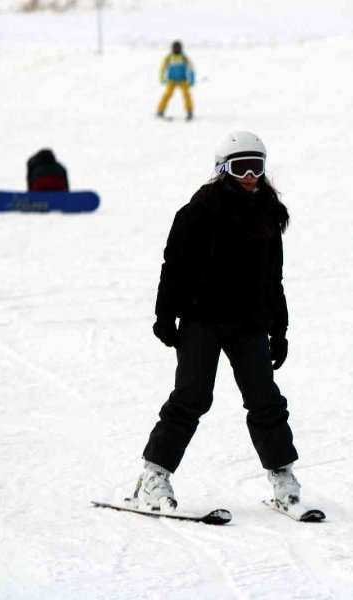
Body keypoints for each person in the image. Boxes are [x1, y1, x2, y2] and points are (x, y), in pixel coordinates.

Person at [135, 131, 302, 512]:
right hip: (202, 318)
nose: (249, 175)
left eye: (256, 166)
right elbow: (174, 266)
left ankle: (282, 476)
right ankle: (153, 476)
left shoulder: (269, 215)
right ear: (223, 169)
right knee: (191, 397)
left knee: (264, 399)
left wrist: (279, 329)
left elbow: (272, 277)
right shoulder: (199, 211)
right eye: (241, 167)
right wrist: (165, 315)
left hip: (249, 321)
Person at [157, 40, 195, 121]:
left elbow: (191, 68)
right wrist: (162, 78)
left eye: (178, 47)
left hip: (182, 80)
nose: (176, 49)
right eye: (175, 47)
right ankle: (160, 110)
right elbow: (162, 68)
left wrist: (191, 79)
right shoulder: (168, 58)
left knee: (187, 95)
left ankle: (189, 111)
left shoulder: (184, 58)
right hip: (171, 81)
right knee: (167, 95)